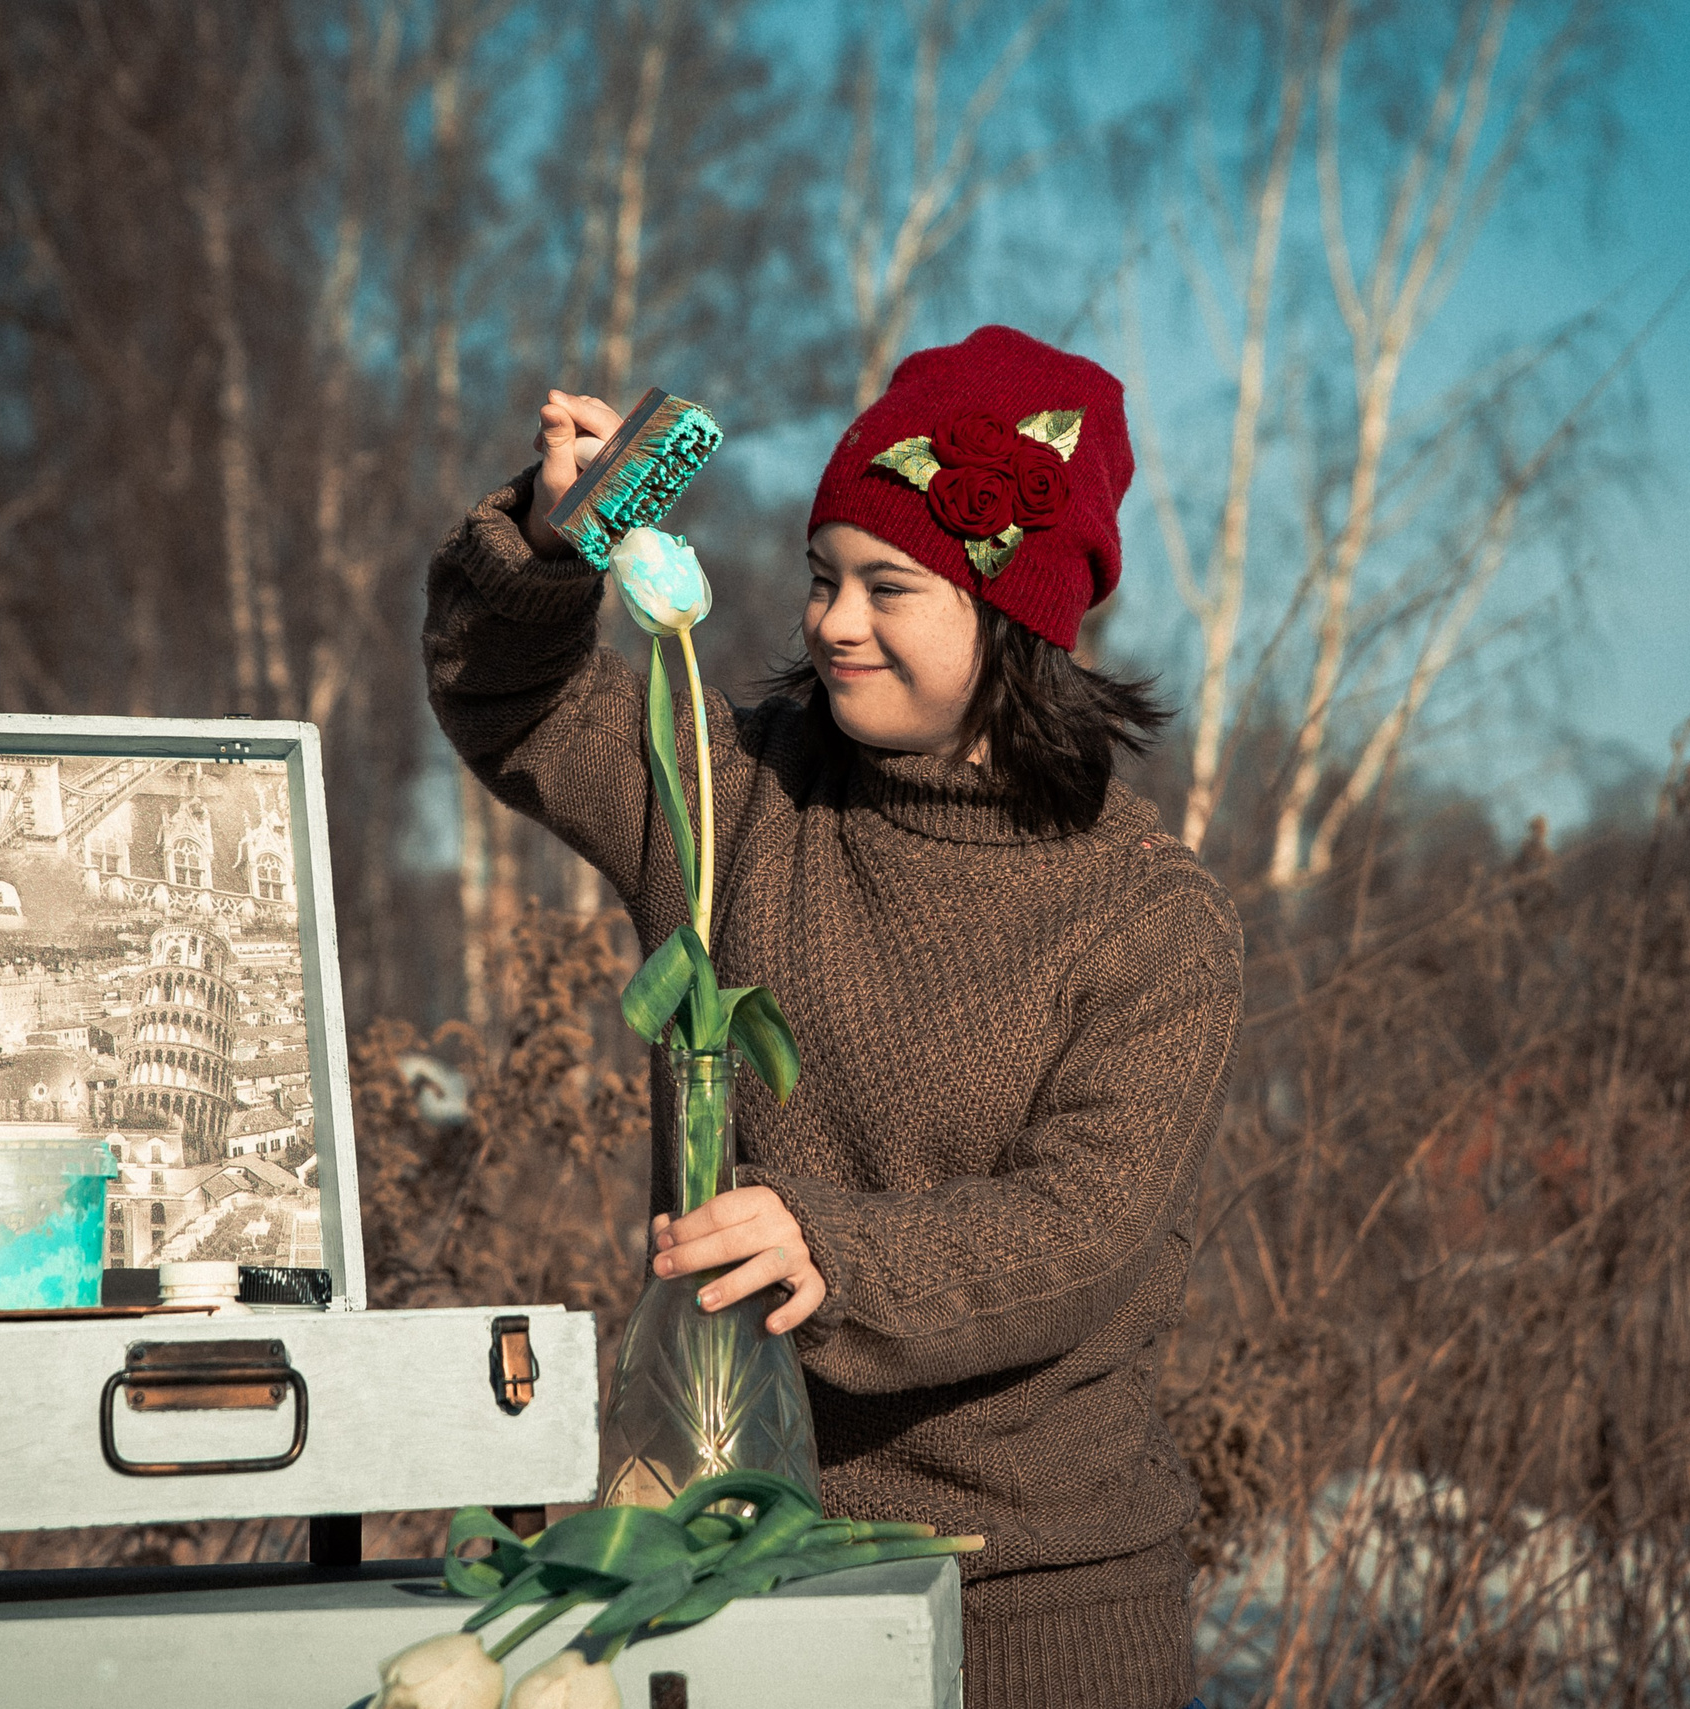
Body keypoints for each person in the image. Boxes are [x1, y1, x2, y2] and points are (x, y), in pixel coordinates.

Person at [424, 325, 1240, 1709]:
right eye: (822, 577)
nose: (833, 622)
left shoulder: (1148, 915)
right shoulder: (735, 794)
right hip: (728, 1563)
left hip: (1037, 1600)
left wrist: (832, 1249)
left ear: (1016, 615)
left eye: (887, 586)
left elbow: (1083, 1227)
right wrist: (555, 550)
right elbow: (521, 707)